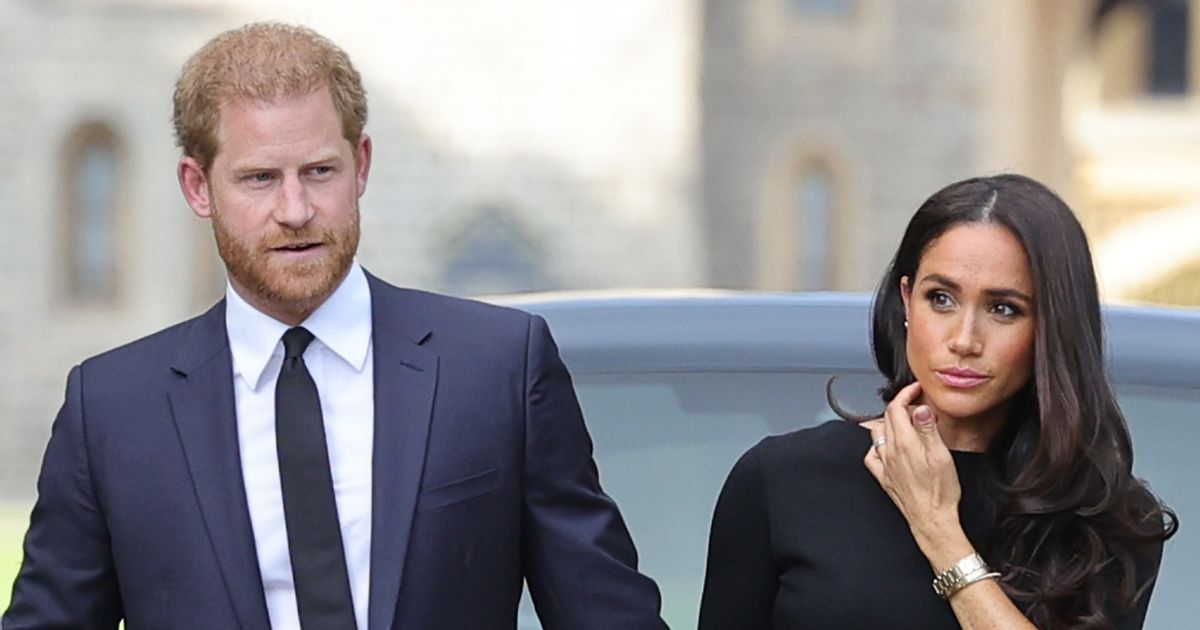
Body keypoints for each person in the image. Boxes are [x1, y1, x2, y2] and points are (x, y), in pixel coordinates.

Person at [3, 22, 665, 630]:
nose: (295, 210)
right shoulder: (114, 410)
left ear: (363, 165)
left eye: (319, 172)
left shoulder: (497, 368)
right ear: (197, 187)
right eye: (260, 178)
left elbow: (606, 614)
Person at [698, 174, 1176, 629]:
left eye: (1003, 309)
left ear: (1051, 328)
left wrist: (938, 529)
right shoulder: (781, 480)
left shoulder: (1104, 520)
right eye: (941, 298)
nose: (964, 339)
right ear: (906, 301)